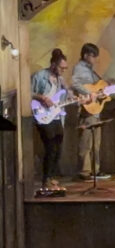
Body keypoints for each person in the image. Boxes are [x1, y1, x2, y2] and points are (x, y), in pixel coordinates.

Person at [31, 48, 71, 189]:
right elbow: (28, 92)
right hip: (42, 115)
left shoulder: (61, 80)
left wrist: (80, 98)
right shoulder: (39, 76)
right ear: (53, 64)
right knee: (50, 147)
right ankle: (46, 179)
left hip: (56, 116)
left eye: (65, 68)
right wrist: (41, 97)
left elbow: (67, 97)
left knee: (58, 147)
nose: (63, 71)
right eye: (61, 68)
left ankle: (52, 176)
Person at [71, 43, 110, 180]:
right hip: (86, 109)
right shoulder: (79, 68)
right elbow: (75, 84)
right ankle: (84, 171)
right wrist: (89, 93)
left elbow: (96, 87)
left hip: (95, 110)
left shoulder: (90, 70)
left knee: (95, 142)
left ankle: (95, 169)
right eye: (94, 56)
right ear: (86, 55)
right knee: (85, 142)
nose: (95, 59)